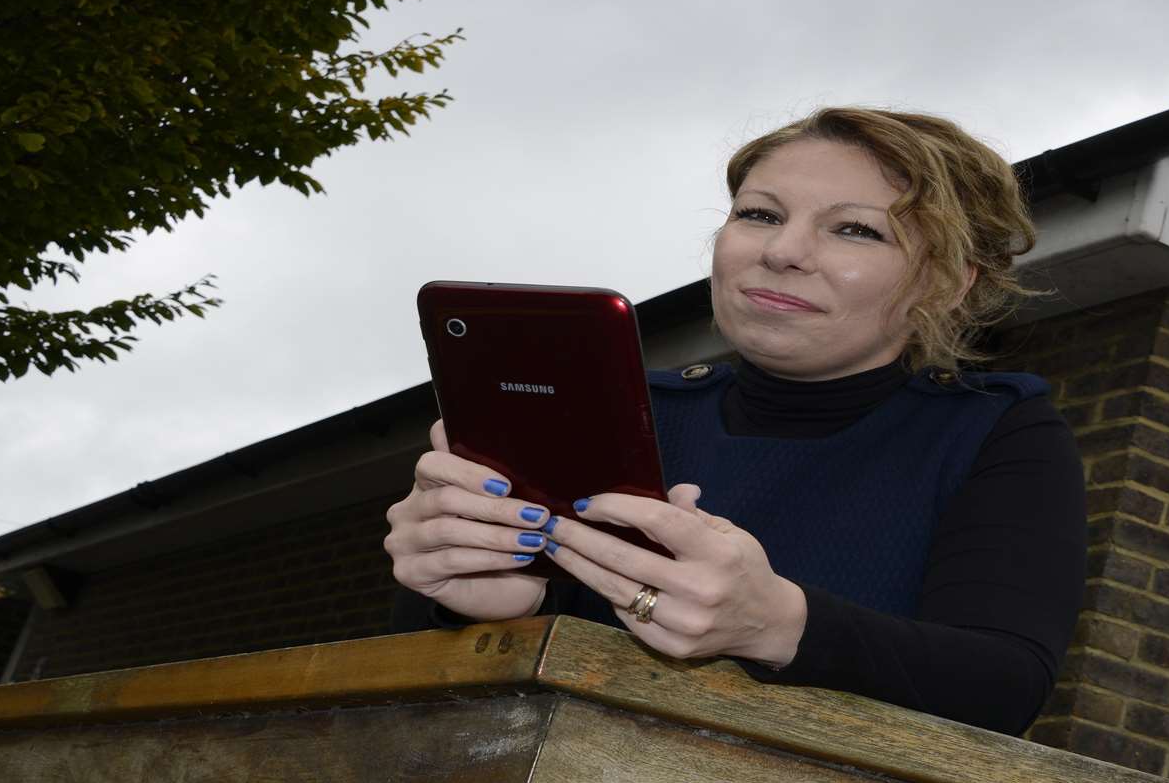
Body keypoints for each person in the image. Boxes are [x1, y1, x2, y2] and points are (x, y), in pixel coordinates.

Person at [384, 108, 1086, 735]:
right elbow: (424, 698)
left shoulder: (994, 431)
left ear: (947, 282)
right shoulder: (632, 412)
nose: (781, 251)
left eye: (854, 229)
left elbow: (1004, 687)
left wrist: (778, 623)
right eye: (759, 215)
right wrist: (464, 604)